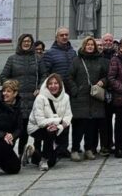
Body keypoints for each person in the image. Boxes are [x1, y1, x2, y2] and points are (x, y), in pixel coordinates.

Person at [0, 34, 40, 166]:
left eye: (29, 41)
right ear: (20, 42)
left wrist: (40, 87)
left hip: (33, 99)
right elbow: (4, 76)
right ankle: (11, 154)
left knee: (32, 128)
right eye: (24, 41)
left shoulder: (38, 58)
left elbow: (45, 74)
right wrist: (11, 88)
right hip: (18, 100)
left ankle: (29, 154)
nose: (27, 43)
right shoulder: (12, 59)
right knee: (18, 128)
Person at [65, 35, 107, 161]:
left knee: (91, 127)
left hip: (94, 98)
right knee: (78, 126)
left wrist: (102, 82)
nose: (90, 47)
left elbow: (106, 76)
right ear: (84, 46)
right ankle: (75, 149)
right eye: (88, 45)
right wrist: (75, 91)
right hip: (80, 98)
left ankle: (88, 149)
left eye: (92, 45)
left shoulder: (99, 60)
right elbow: (69, 77)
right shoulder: (76, 60)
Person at [39, 27, 74, 157]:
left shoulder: (72, 52)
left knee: (66, 120)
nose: (64, 37)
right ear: (56, 37)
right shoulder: (50, 54)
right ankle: (54, 147)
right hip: (54, 93)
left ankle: (63, 147)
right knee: (55, 120)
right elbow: (45, 73)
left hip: (68, 92)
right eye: (61, 35)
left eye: (66, 35)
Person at [28, 74, 72, 171]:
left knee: (52, 163)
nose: (53, 86)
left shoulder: (66, 97)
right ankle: (43, 159)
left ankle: (32, 152)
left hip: (56, 127)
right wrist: (57, 121)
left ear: (60, 85)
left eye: (56, 83)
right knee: (50, 131)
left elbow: (68, 116)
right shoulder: (40, 98)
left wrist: (59, 126)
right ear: (46, 86)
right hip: (36, 128)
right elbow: (40, 122)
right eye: (50, 84)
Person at [98, 33, 117, 155]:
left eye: (110, 40)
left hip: (117, 91)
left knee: (120, 120)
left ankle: (118, 143)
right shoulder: (98, 56)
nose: (108, 42)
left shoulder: (117, 55)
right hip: (104, 92)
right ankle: (106, 144)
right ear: (102, 42)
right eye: (106, 40)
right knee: (105, 120)